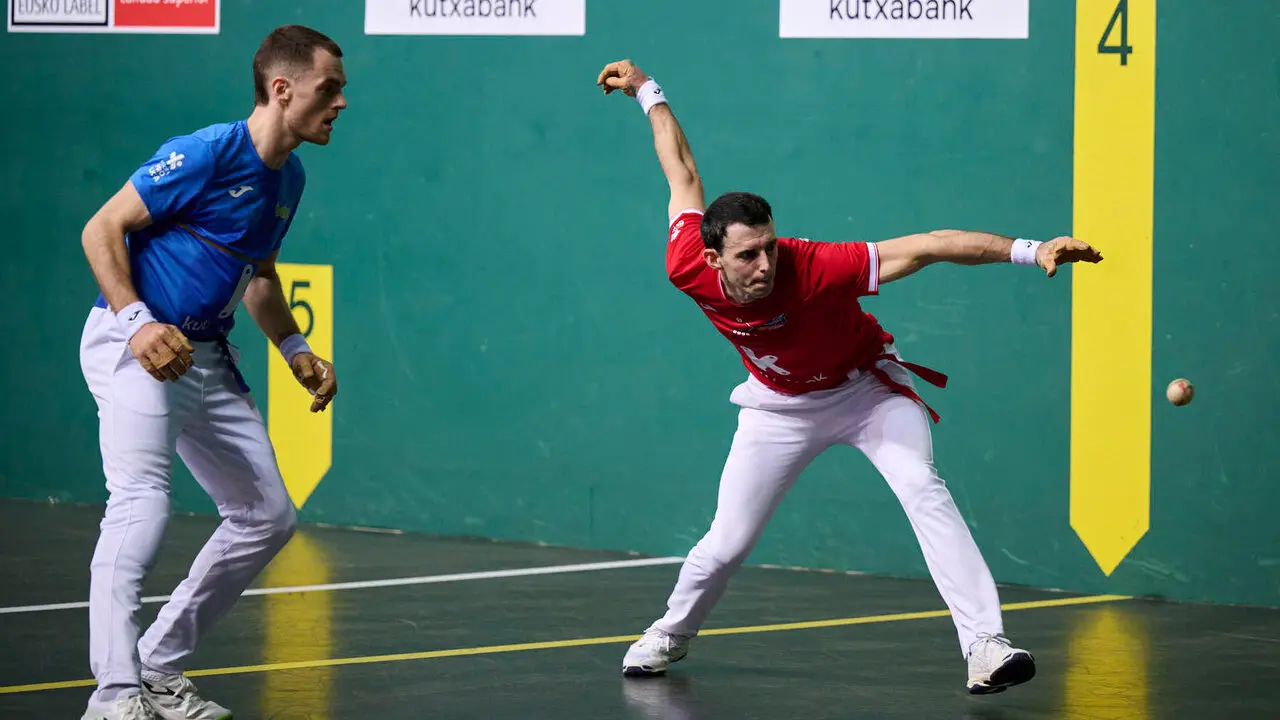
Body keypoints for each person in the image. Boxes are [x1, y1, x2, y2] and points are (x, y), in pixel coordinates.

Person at [596, 58, 1103, 695]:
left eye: (770, 247)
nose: (763, 264)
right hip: (778, 408)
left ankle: (986, 646)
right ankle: (670, 632)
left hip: (866, 392)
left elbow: (926, 245)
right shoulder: (684, 264)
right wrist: (648, 91)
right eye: (747, 255)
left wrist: (1031, 250)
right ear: (711, 256)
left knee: (923, 486)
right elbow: (682, 171)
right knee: (725, 543)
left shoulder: (815, 266)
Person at [76, 25, 347, 720]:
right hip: (135, 341)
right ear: (282, 90)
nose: (341, 103)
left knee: (267, 516)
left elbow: (257, 277)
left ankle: (159, 667)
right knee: (139, 504)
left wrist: (293, 349)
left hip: (204, 354)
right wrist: (139, 325)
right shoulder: (206, 153)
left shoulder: (291, 176)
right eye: (329, 89)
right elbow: (101, 229)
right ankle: (114, 698)